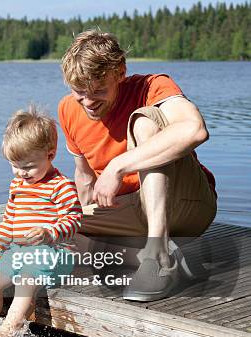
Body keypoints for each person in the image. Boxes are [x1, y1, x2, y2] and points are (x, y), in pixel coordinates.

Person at [57, 30, 217, 301]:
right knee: (56, 229)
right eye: (80, 92)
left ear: (120, 72)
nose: (89, 102)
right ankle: (162, 255)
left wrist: (117, 166)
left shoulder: (152, 86)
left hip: (187, 204)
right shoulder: (68, 109)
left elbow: (194, 130)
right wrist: (78, 220)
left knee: (145, 120)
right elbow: (83, 177)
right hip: (129, 208)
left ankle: (158, 258)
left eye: (99, 90)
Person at [0, 105, 82, 337]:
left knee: (26, 275)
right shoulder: (18, 186)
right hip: (21, 252)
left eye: (29, 167)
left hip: (56, 254)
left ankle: (8, 327)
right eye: (15, 165)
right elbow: (8, 221)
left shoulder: (61, 186)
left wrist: (49, 232)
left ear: (50, 155)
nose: (21, 173)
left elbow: (74, 220)